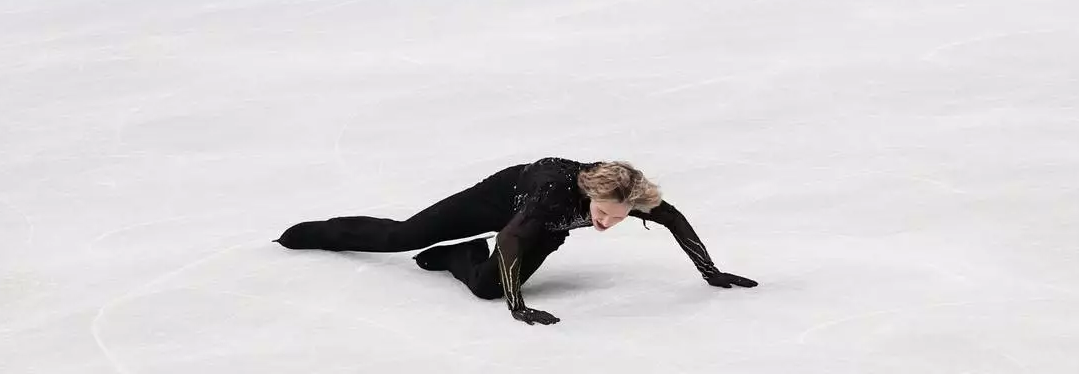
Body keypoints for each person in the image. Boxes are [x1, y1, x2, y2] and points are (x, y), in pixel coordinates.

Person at [274, 157, 758, 325]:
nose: (608, 225)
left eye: (619, 218)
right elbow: (509, 241)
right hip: (499, 201)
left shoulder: (628, 195)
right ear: (591, 194)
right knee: (404, 235)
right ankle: (308, 234)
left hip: (544, 229)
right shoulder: (553, 201)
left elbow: (677, 222)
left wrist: (710, 272)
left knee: (484, 287)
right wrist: (518, 306)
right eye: (603, 216)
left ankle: (456, 256)